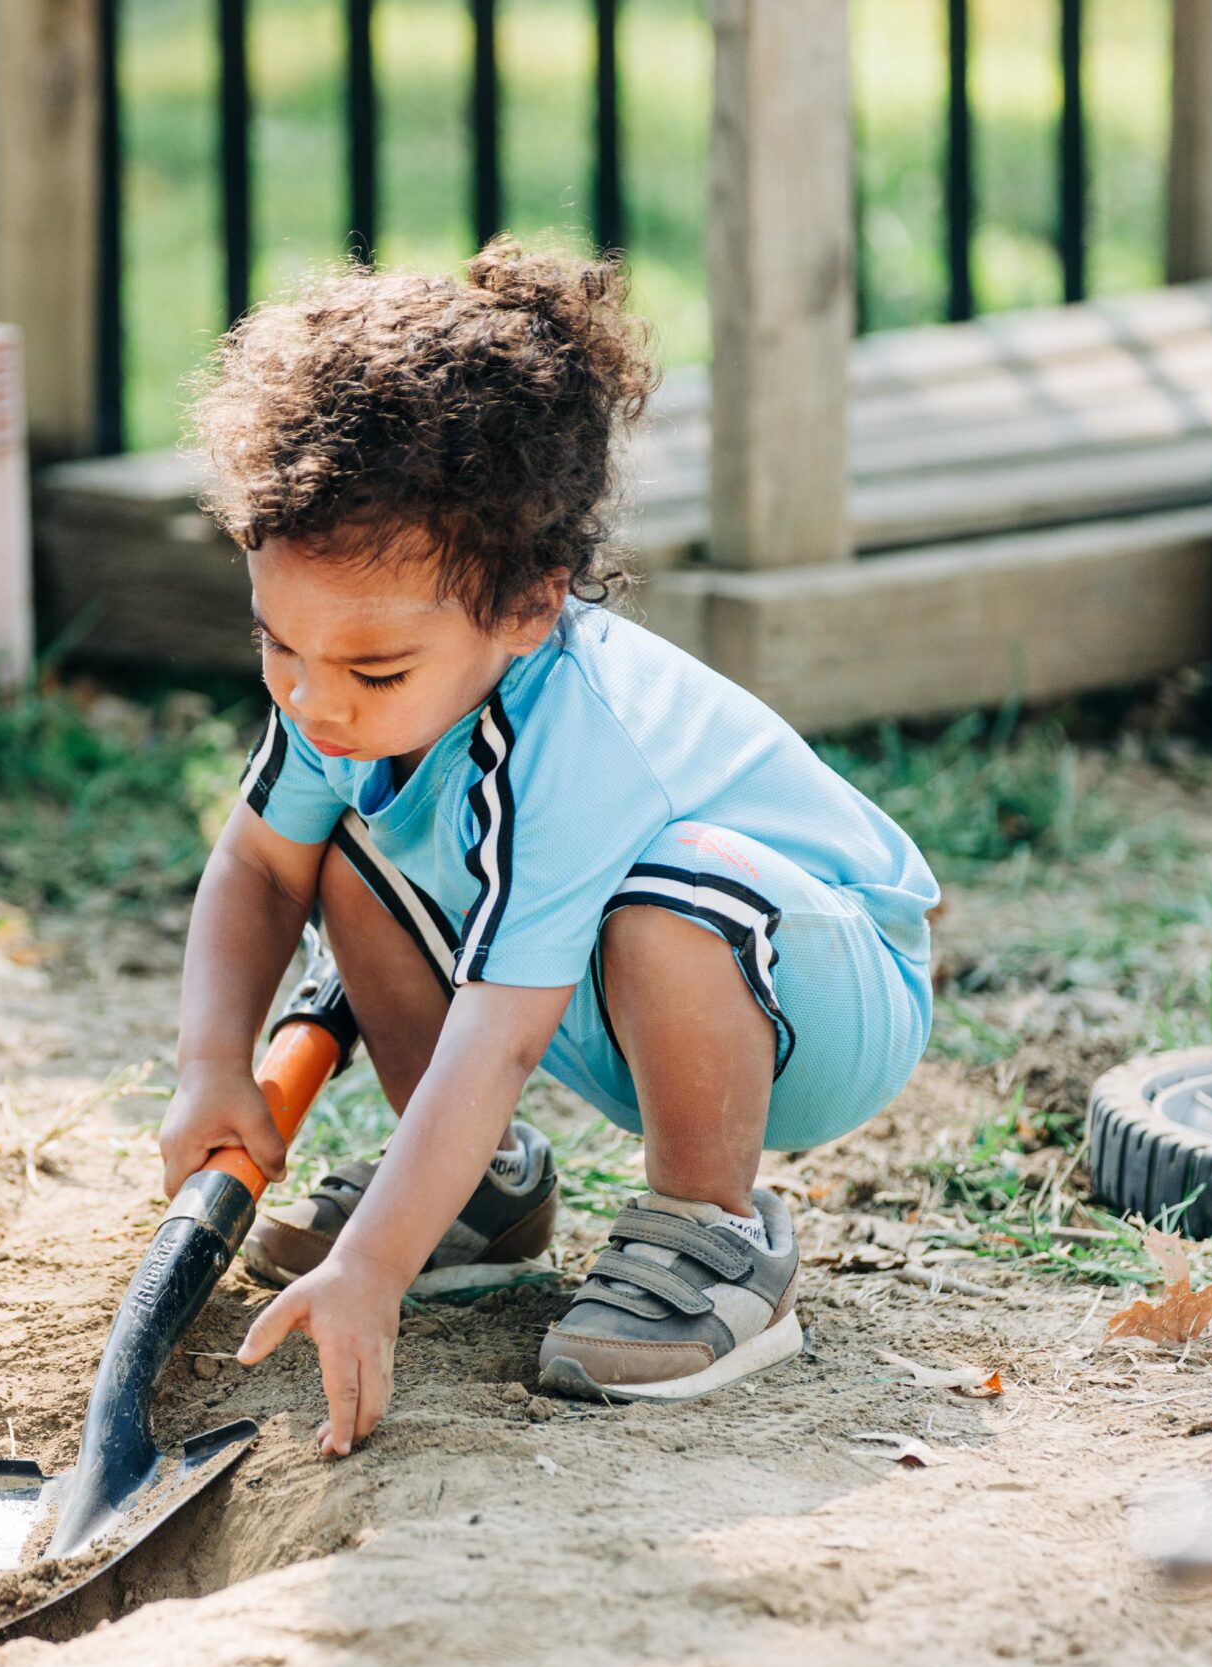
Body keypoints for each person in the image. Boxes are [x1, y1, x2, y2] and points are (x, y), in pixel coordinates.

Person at [155, 240, 940, 1457]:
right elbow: (259, 869)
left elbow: (501, 1031)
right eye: (278, 647)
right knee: (347, 850)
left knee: (668, 898)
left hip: (813, 999)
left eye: (372, 669)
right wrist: (213, 1062)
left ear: (528, 607)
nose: (314, 703)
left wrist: (368, 1268)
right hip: (609, 997)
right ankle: (476, 1194)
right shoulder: (339, 695)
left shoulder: (581, 739)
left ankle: (715, 1236)